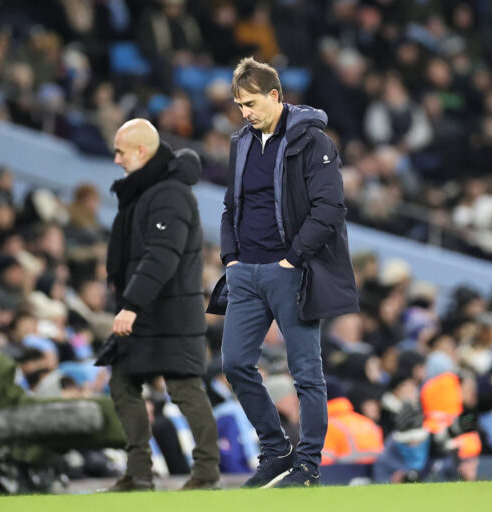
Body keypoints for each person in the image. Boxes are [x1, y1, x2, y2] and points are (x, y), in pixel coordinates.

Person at [208, 57, 358, 488]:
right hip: (246, 273)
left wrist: (292, 259)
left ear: (275, 95)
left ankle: (308, 466)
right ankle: (276, 450)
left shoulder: (313, 142)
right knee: (235, 363)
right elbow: (230, 207)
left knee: (306, 373)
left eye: (251, 103)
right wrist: (230, 259)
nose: (245, 113)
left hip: (289, 272)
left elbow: (330, 209)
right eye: (239, 105)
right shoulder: (240, 142)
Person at [104, 118, 220, 491]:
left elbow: (161, 256)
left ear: (141, 151)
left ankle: (206, 473)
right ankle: (138, 472)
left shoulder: (169, 193)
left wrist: (131, 304)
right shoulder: (147, 191)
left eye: (121, 151)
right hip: (150, 311)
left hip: (169, 312)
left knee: (184, 388)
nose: (117, 160)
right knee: (123, 383)